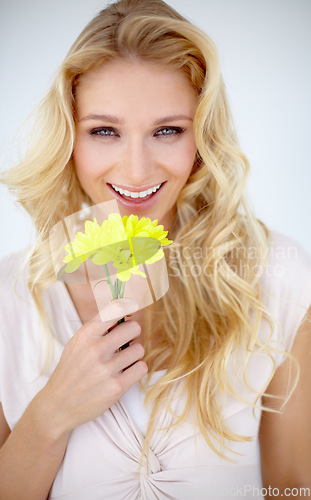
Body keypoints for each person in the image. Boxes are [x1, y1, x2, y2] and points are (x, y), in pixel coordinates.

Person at [0, 0, 310, 498]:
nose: (137, 170)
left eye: (167, 131)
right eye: (105, 131)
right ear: (69, 139)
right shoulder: (10, 296)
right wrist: (51, 413)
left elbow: (293, 486)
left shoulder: (275, 276)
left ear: (202, 136)